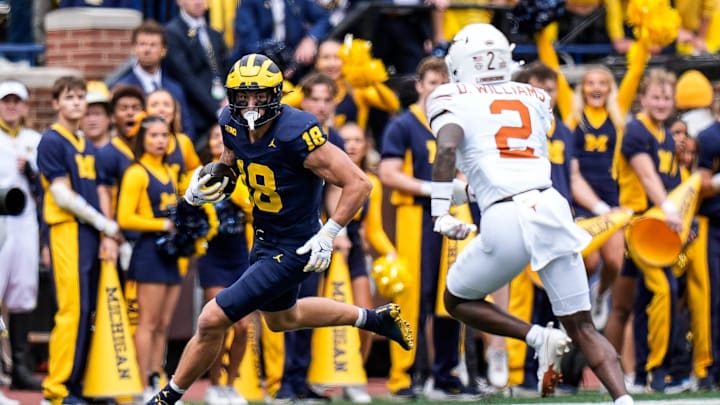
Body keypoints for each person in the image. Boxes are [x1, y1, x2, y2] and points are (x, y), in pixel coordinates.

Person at [144, 53, 414, 405]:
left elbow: (359, 183)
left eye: (259, 96)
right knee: (284, 318)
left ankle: (165, 399)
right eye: (243, 97)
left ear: (276, 95)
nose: (250, 105)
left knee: (211, 318)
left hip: (296, 245)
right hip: (264, 236)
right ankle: (374, 319)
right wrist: (206, 183)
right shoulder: (230, 121)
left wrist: (329, 232)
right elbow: (230, 163)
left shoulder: (296, 131)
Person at [427, 23, 632, 404]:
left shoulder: (449, 95)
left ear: (458, 63)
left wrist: (441, 211)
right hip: (550, 207)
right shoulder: (535, 95)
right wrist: (471, 188)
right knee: (583, 325)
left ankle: (536, 336)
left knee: (456, 301)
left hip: (506, 216)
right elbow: (508, 159)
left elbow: (448, 149)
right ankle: (623, 399)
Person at [378, 56, 475, 401]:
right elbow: (388, 173)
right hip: (415, 216)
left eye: (443, 84)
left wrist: (458, 185)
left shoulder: (458, 122)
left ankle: (447, 373)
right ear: (419, 85)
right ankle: (403, 376)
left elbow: (468, 167)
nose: (437, 90)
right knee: (412, 298)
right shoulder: (404, 124)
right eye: (432, 83)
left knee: (452, 295)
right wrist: (433, 188)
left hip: (453, 213)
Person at [38, 76, 120, 405]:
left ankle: (83, 382)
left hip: (88, 230)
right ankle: (56, 389)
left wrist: (103, 231)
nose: (76, 103)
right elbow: (61, 193)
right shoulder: (52, 141)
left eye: (80, 97)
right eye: (69, 97)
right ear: (56, 103)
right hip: (67, 228)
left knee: (89, 311)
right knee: (72, 310)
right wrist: (104, 223)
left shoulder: (84, 141)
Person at [116, 113, 183, 401]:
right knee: (147, 322)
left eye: (164, 135)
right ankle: (140, 383)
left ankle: (157, 379)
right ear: (142, 139)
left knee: (163, 325)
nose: (160, 140)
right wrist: (162, 225)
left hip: (170, 255)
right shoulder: (136, 172)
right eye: (154, 135)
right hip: (148, 254)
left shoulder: (169, 171)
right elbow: (125, 218)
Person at [197, 124, 252, 405]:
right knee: (220, 323)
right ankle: (215, 385)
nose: (219, 140)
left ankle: (231, 384)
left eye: (224, 136)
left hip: (239, 254)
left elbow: (252, 208)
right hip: (212, 257)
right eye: (214, 136)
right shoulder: (200, 175)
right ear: (208, 143)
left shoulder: (244, 173)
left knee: (243, 326)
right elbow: (193, 211)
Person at [0, 80, 43, 394]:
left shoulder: (34, 140)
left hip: (25, 223)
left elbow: (46, 187)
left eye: (17, 101)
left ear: (25, 106)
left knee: (23, 293)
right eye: (6, 101)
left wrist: (30, 171)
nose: (11, 106)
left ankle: (20, 365)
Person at [114, 19, 196, 140]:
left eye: (153, 45)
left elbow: (188, 129)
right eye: (142, 44)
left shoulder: (175, 89)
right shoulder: (122, 87)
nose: (147, 50)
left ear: (164, 50)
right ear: (134, 48)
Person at [165, 0, 228, 139]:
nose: (199, 2)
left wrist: (228, 100)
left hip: (221, 106)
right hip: (195, 115)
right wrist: (216, 109)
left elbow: (224, 69)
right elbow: (186, 78)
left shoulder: (214, 34)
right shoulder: (172, 33)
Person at [81, 81, 112, 149]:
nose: (92, 120)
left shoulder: (122, 150)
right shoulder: (70, 150)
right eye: (87, 114)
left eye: (97, 114)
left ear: (109, 117)